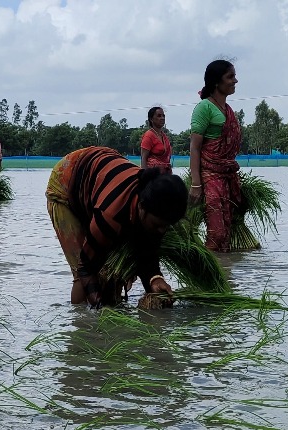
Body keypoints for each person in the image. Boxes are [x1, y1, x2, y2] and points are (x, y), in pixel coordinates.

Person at [46, 146, 188, 308]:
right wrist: (100, 309)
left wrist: (155, 278)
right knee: (83, 274)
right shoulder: (110, 216)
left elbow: (146, 249)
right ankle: (79, 322)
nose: (161, 231)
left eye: (166, 226)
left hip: (100, 173)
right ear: (141, 207)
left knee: (111, 271)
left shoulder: (154, 206)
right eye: (157, 225)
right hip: (66, 181)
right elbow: (86, 268)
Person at [188, 59, 244, 252]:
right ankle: (207, 274)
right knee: (217, 233)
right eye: (230, 76)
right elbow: (195, 148)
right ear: (216, 82)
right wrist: (196, 184)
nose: (235, 81)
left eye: (235, 76)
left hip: (227, 176)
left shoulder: (227, 110)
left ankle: (225, 274)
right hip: (209, 176)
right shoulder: (204, 108)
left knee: (226, 233)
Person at [140, 107, 172, 174]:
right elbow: (143, 159)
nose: (162, 118)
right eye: (159, 116)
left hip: (165, 174)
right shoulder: (148, 136)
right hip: (153, 175)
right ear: (151, 119)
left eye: (163, 116)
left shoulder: (164, 136)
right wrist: (145, 177)